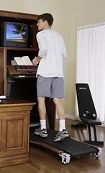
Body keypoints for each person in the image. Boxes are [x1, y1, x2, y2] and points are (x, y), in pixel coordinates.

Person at [33, 13, 70, 141]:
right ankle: (63, 129)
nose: (37, 24)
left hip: (45, 72)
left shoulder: (41, 34)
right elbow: (64, 55)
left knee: (41, 99)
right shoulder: (59, 36)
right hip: (58, 72)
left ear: (46, 22)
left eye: (39, 22)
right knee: (57, 100)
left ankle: (43, 128)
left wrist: (37, 60)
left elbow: (43, 50)